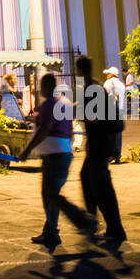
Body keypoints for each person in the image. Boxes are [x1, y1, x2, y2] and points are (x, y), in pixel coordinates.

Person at [24, 73, 94, 250]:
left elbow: (45, 129)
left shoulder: (50, 104)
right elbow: (67, 128)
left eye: (42, 86)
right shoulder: (65, 102)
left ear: (46, 87)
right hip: (62, 153)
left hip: (54, 156)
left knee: (52, 195)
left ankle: (83, 220)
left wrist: (27, 149)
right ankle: (51, 231)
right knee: (50, 194)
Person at [76, 55, 126, 246]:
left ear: (80, 70)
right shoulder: (93, 86)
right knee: (88, 179)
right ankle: (94, 222)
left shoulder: (92, 88)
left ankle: (114, 228)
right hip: (98, 144)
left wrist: (87, 117)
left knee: (102, 187)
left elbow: (95, 116)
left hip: (99, 145)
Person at [103, 67, 126, 163]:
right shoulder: (121, 85)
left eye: (108, 74)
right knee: (118, 133)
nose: (107, 75)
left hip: (110, 109)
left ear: (112, 74)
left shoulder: (107, 83)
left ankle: (110, 155)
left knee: (109, 132)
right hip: (120, 110)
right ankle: (117, 156)